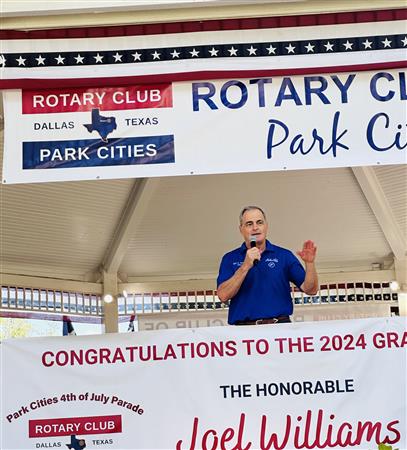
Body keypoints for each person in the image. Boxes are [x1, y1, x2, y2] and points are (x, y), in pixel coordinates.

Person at [217, 206, 318, 325]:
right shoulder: (230, 258)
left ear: (266, 226)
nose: (255, 228)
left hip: (279, 328)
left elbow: (311, 290)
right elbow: (223, 295)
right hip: (244, 330)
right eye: (249, 224)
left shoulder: (284, 256)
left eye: (259, 222)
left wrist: (310, 264)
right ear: (241, 229)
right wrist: (245, 266)